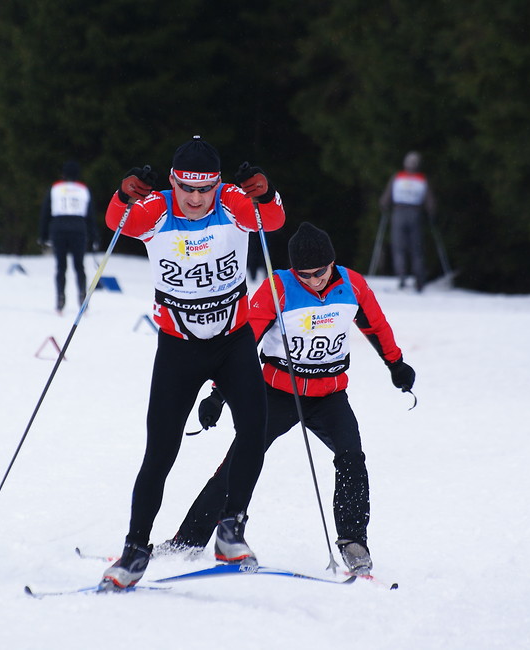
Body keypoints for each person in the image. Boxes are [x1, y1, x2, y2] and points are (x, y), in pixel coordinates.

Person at [164, 222, 416, 576]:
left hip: (329, 395)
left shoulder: (353, 285)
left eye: (320, 273)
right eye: (304, 275)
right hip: (278, 392)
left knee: (352, 457)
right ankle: (188, 541)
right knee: (240, 461)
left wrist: (395, 363)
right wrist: (218, 395)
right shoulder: (277, 288)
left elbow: (375, 325)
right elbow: (243, 342)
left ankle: (353, 542)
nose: (313, 281)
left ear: (332, 263)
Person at [99, 135, 286, 591]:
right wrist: (124, 193)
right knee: (161, 450)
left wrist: (266, 193)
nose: (197, 198)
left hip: (232, 342)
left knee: (255, 429)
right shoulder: (156, 210)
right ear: (173, 182)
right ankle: (135, 549)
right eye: (187, 188)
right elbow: (116, 222)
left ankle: (230, 529)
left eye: (205, 189)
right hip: (178, 347)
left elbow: (272, 220)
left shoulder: (233, 203)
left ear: (217, 184)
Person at [38, 160, 98, 313]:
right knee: (79, 266)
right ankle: (82, 296)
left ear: (63, 174)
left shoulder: (55, 188)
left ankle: (60, 297)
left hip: (59, 227)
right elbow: (91, 215)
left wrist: (42, 234)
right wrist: (94, 236)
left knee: (61, 266)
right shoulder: (83, 189)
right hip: (78, 227)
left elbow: (45, 212)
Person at [378, 151, 436, 292]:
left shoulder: (397, 177)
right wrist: (432, 213)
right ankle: (419, 280)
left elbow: (385, 198)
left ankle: (402, 277)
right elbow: (430, 201)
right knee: (416, 248)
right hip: (415, 214)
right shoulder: (422, 179)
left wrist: (384, 206)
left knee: (399, 247)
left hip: (399, 213)